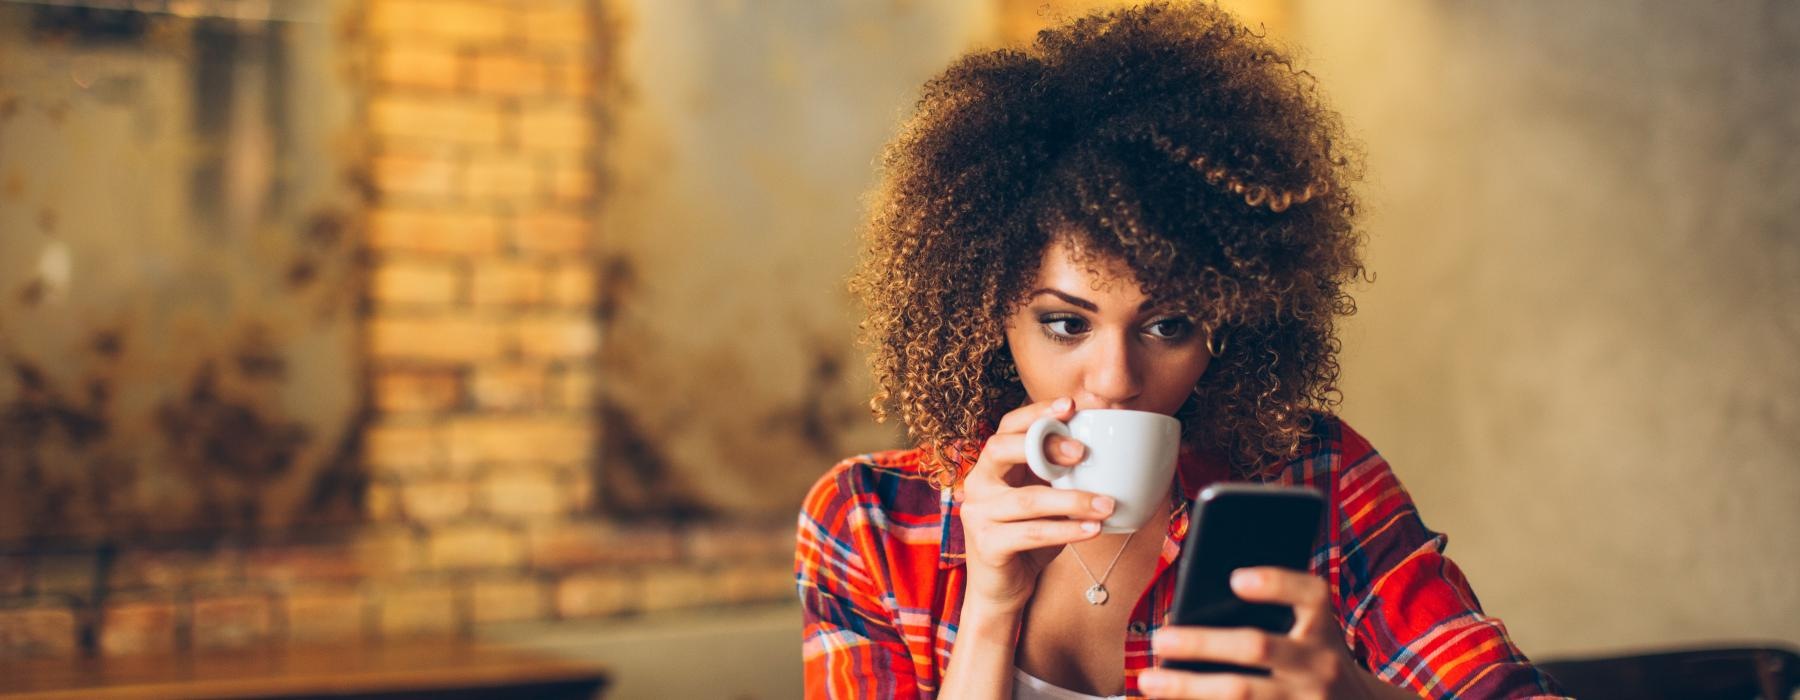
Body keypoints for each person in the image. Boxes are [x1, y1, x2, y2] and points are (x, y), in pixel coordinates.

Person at [795, 3, 1568, 698]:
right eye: (1067, 323)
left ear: (1232, 322)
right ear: (990, 310)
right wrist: (991, 610)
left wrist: (1359, 698)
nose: (1116, 379)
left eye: (1168, 326)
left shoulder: (1314, 479)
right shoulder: (871, 523)